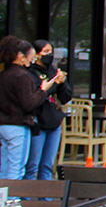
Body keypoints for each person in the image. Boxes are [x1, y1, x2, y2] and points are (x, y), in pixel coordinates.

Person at [0, 36, 61, 180]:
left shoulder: (3, 74)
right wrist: (43, 90)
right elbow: (29, 103)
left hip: (3, 124)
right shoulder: (22, 76)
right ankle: (12, 200)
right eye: (30, 58)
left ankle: (3, 199)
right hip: (18, 124)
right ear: (21, 56)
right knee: (17, 168)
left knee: (4, 167)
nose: (31, 61)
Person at [24, 40, 72, 181]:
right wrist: (53, 84)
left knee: (47, 164)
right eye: (45, 52)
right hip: (37, 120)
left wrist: (62, 83)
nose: (49, 55)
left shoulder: (54, 71)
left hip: (54, 120)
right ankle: (27, 197)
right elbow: (37, 95)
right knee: (32, 165)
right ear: (36, 54)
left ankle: (45, 199)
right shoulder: (30, 73)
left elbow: (65, 97)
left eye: (50, 52)